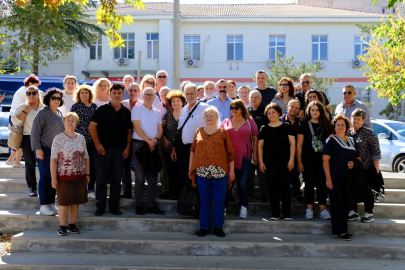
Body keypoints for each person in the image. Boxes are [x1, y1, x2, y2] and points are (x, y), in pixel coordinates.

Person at [189, 106, 235, 237]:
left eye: (212, 115)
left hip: (220, 172)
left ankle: (218, 227)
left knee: (219, 200)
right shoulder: (198, 131)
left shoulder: (223, 132)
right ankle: (204, 227)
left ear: (217, 117)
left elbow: (231, 154)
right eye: (207, 116)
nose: (209, 118)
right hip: (202, 172)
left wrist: (231, 171)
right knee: (204, 200)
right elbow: (192, 150)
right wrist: (190, 167)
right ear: (204, 118)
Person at [89, 83, 132, 216]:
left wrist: (127, 147)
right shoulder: (101, 110)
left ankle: (114, 206)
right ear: (110, 94)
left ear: (123, 94)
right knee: (101, 179)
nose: (117, 95)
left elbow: (130, 131)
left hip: (119, 150)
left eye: (119, 93)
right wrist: (97, 144)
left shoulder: (126, 112)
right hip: (103, 150)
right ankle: (100, 206)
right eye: (114, 93)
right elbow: (92, 127)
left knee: (116, 179)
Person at [50, 112, 90, 236]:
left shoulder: (81, 138)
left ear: (76, 123)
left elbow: (86, 157)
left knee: (75, 202)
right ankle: (62, 226)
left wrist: (87, 174)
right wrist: (54, 178)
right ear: (64, 122)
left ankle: (72, 224)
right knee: (63, 202)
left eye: (73, 120)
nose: (70, 122)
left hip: (79, 175)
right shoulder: (58, 138)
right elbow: (53, 159)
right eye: (68, 120)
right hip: (63, 176)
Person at [31, 88, 65, 216]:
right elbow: (35, 132)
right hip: (44, 149)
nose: (56, 100)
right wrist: (37, 149)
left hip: (57, 151)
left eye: (58, 98)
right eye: (54, 98)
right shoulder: (42, 113)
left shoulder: (60, 113)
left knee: (53, 177)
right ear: (48, 99)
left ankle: (51, 203)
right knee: (45, 176)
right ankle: (43, 205)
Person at [258, 103, 295, 220]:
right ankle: (275, 213)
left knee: (285, 189)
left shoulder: (287, 126)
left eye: (273, 112)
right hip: (269, 163)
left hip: (285, 163)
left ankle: (287, 214)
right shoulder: (264, 128)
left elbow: (292, 144)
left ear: (279, 113)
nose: (271, 114)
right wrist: (260, 162)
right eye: (269, 113)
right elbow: (260, 147)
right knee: (272, 189)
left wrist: (291, 160)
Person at [297, 101, 333, 220]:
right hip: (307, 160)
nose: (315, 112)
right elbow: (299, 145)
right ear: (309, 111)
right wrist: (299, 161)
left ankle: (323, 209)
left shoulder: (327, 125)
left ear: (321, 111)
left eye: (317, 110)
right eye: (312, 110)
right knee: (309, 185)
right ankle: (309, 209)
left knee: (322, 185)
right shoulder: (304, 125)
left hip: (323, 161)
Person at [323, 114, 357, 241]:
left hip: (349, 178)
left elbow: (357, 157)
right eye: (338, 125)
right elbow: (325, 161)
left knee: (346, 204)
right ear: (334, 127)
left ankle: (344, 229)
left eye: (343, 125)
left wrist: (354, 163)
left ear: (347, 127)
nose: (340, 127)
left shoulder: (352, 141)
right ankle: (340, 231)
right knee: (337, 204)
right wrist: (328, 178)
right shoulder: (331, 141)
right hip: (335, 177)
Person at [222, 100, 258, 218]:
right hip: (228, 158)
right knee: (228, 183)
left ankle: (243, 208)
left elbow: (255, 139)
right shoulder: (226, 121)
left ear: (242, 108)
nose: (233, 110)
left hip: (244, 157)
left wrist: (256, 154)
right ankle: (223, 208)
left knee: (242, 184)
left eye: (236, 107)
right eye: (231, 108)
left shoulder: (250, 121)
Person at [132, 87, 165, 215]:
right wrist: (149, 141)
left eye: (151, 95)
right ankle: (139, 205)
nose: (148, 97)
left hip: (153, 146)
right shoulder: (137, 109)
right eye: (146, 94)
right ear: (142, 96)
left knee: (153, 176)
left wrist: (155, 140)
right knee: (139, 177)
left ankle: (150, 205)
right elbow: (137, 127)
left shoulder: (157, 112)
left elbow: (160, 129)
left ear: (155, 97)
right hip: (139, 145)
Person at [171, 83, 209, 193]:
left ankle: (198, 206)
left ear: (197, 94)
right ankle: (187, 204)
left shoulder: (205, 108)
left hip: (200, 149)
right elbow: (179, 131)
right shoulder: (183, 110)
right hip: (184, 150)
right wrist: (174, 148)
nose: (189, 96)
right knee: (184, 176)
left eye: (192, 93)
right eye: (187, 93)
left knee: (198, 178)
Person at [348, 108, 381, 223]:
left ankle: (368, 213)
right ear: (350, 119)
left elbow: (376, 151)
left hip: (367, 168)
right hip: (351, 169)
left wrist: (376, 168)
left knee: (368, 191)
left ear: (363, 121)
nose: (355, 121)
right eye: (354, 118)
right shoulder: (347, 132)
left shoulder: (368, 133)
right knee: (351, 189)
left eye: (358, 119)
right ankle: (353, 211)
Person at [11, 86, 45, 197]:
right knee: (30, 164)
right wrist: (25, 112)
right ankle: (32, 188)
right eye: (29, 93)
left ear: (38, 94)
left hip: (42, 138)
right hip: (27, 137)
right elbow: (15, 121)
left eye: (34, 93)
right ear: (26, 95)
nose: (31, 95)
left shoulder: (43, 108)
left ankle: (45, 187)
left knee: (44, 164)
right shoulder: (22, 107)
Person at [70, 84, 98, 199]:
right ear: (78, 95)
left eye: (86, 92)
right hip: (78, 141)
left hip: (92, 141)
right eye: (82, 92)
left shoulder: (94, 106)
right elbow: (71, 123)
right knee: (78, 165)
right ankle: (78, 189)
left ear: (90, 94)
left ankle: (91, 188)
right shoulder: (75, 107)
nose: (84, 94)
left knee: (91, 166)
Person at [7, 75, 41, 168]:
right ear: (30, 83)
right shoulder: (25, 91)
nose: (35, 89)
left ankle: (12, 159)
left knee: (19, 138)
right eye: (35, 85)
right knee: (21, 139)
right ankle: (16, 161)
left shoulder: (21, 89)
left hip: (16, 115)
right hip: (19, 116)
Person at [121, 82, 143, 198]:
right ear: (127, 92)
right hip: (124, 141)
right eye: (131, 90)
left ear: (139, 92)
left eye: (135, 90)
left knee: (140, 168)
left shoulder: (143, 106)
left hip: (139, 140)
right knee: (125, 167)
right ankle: (127, 192)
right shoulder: (122, 104)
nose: (133, 93)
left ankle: (141, 193)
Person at [280, 100, 304, 203]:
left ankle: (297, 194)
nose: (294, 109)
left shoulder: (300, 122)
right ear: (288, 107)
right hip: (282, 153)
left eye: (297, 108)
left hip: (296, 152)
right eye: (292, 107)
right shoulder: (280, 120)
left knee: (295, 175)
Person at [163, 90, 186, 200]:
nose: (176, 103)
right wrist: (164, 139)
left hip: (182, 148)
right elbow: (161, 129)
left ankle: (182, 193)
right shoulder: (167, 114)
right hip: (168, 147)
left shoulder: (186, 113)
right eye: (173, 101)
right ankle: (173, 193)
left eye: (178, 101)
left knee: (181, 171)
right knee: (171, 171)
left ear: (182, 102)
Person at [247, 90, 268, 202]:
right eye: (252, 97)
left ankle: (265, 194)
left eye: (256, 97)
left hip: (262, 147)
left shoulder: (265, 112)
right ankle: (250, 194)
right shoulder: (246, 111)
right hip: (248, 147)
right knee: (249, 173)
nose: (253, 99)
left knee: (262, 172)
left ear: (260, 99)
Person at [153, 86, 171, 199]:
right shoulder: (156, 109)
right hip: (161, 140)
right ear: (159, 96)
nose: (164, 96)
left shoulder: (177, 105)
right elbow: (155, 126)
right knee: (163, 166)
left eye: (166, 94)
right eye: (162, 94)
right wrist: (163, 138)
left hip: (176, 140)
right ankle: (166, 190)